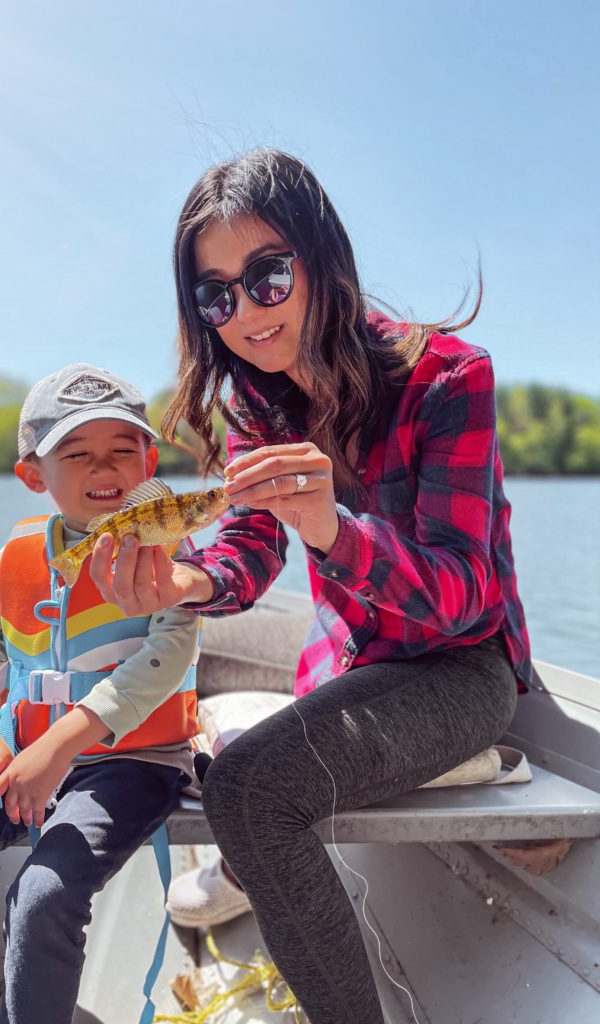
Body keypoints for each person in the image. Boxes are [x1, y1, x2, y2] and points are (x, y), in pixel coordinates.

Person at [89, 148, 532, 1024]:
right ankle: (259, 868)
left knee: (246, 789)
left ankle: (265, 876)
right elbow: (245, 559)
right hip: (344, 660)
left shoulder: (449, 377)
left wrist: (332, 527)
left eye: (267, 275)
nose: (245, 311)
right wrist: (177, 582)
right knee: (169, 640)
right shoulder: (257, 400)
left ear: (321, 259)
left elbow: (465, 597)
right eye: (216, 294)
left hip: (459, 670)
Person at [0, 363, 201, 1024]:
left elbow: (169, 653)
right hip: (18, 754)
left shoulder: (171, 553)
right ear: (35, 475)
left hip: (129, 766)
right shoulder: (16, 557)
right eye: (76, 453)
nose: (103, 467)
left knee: (44, 895)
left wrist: (63, 744)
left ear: (148, 460)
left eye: (122, 449)